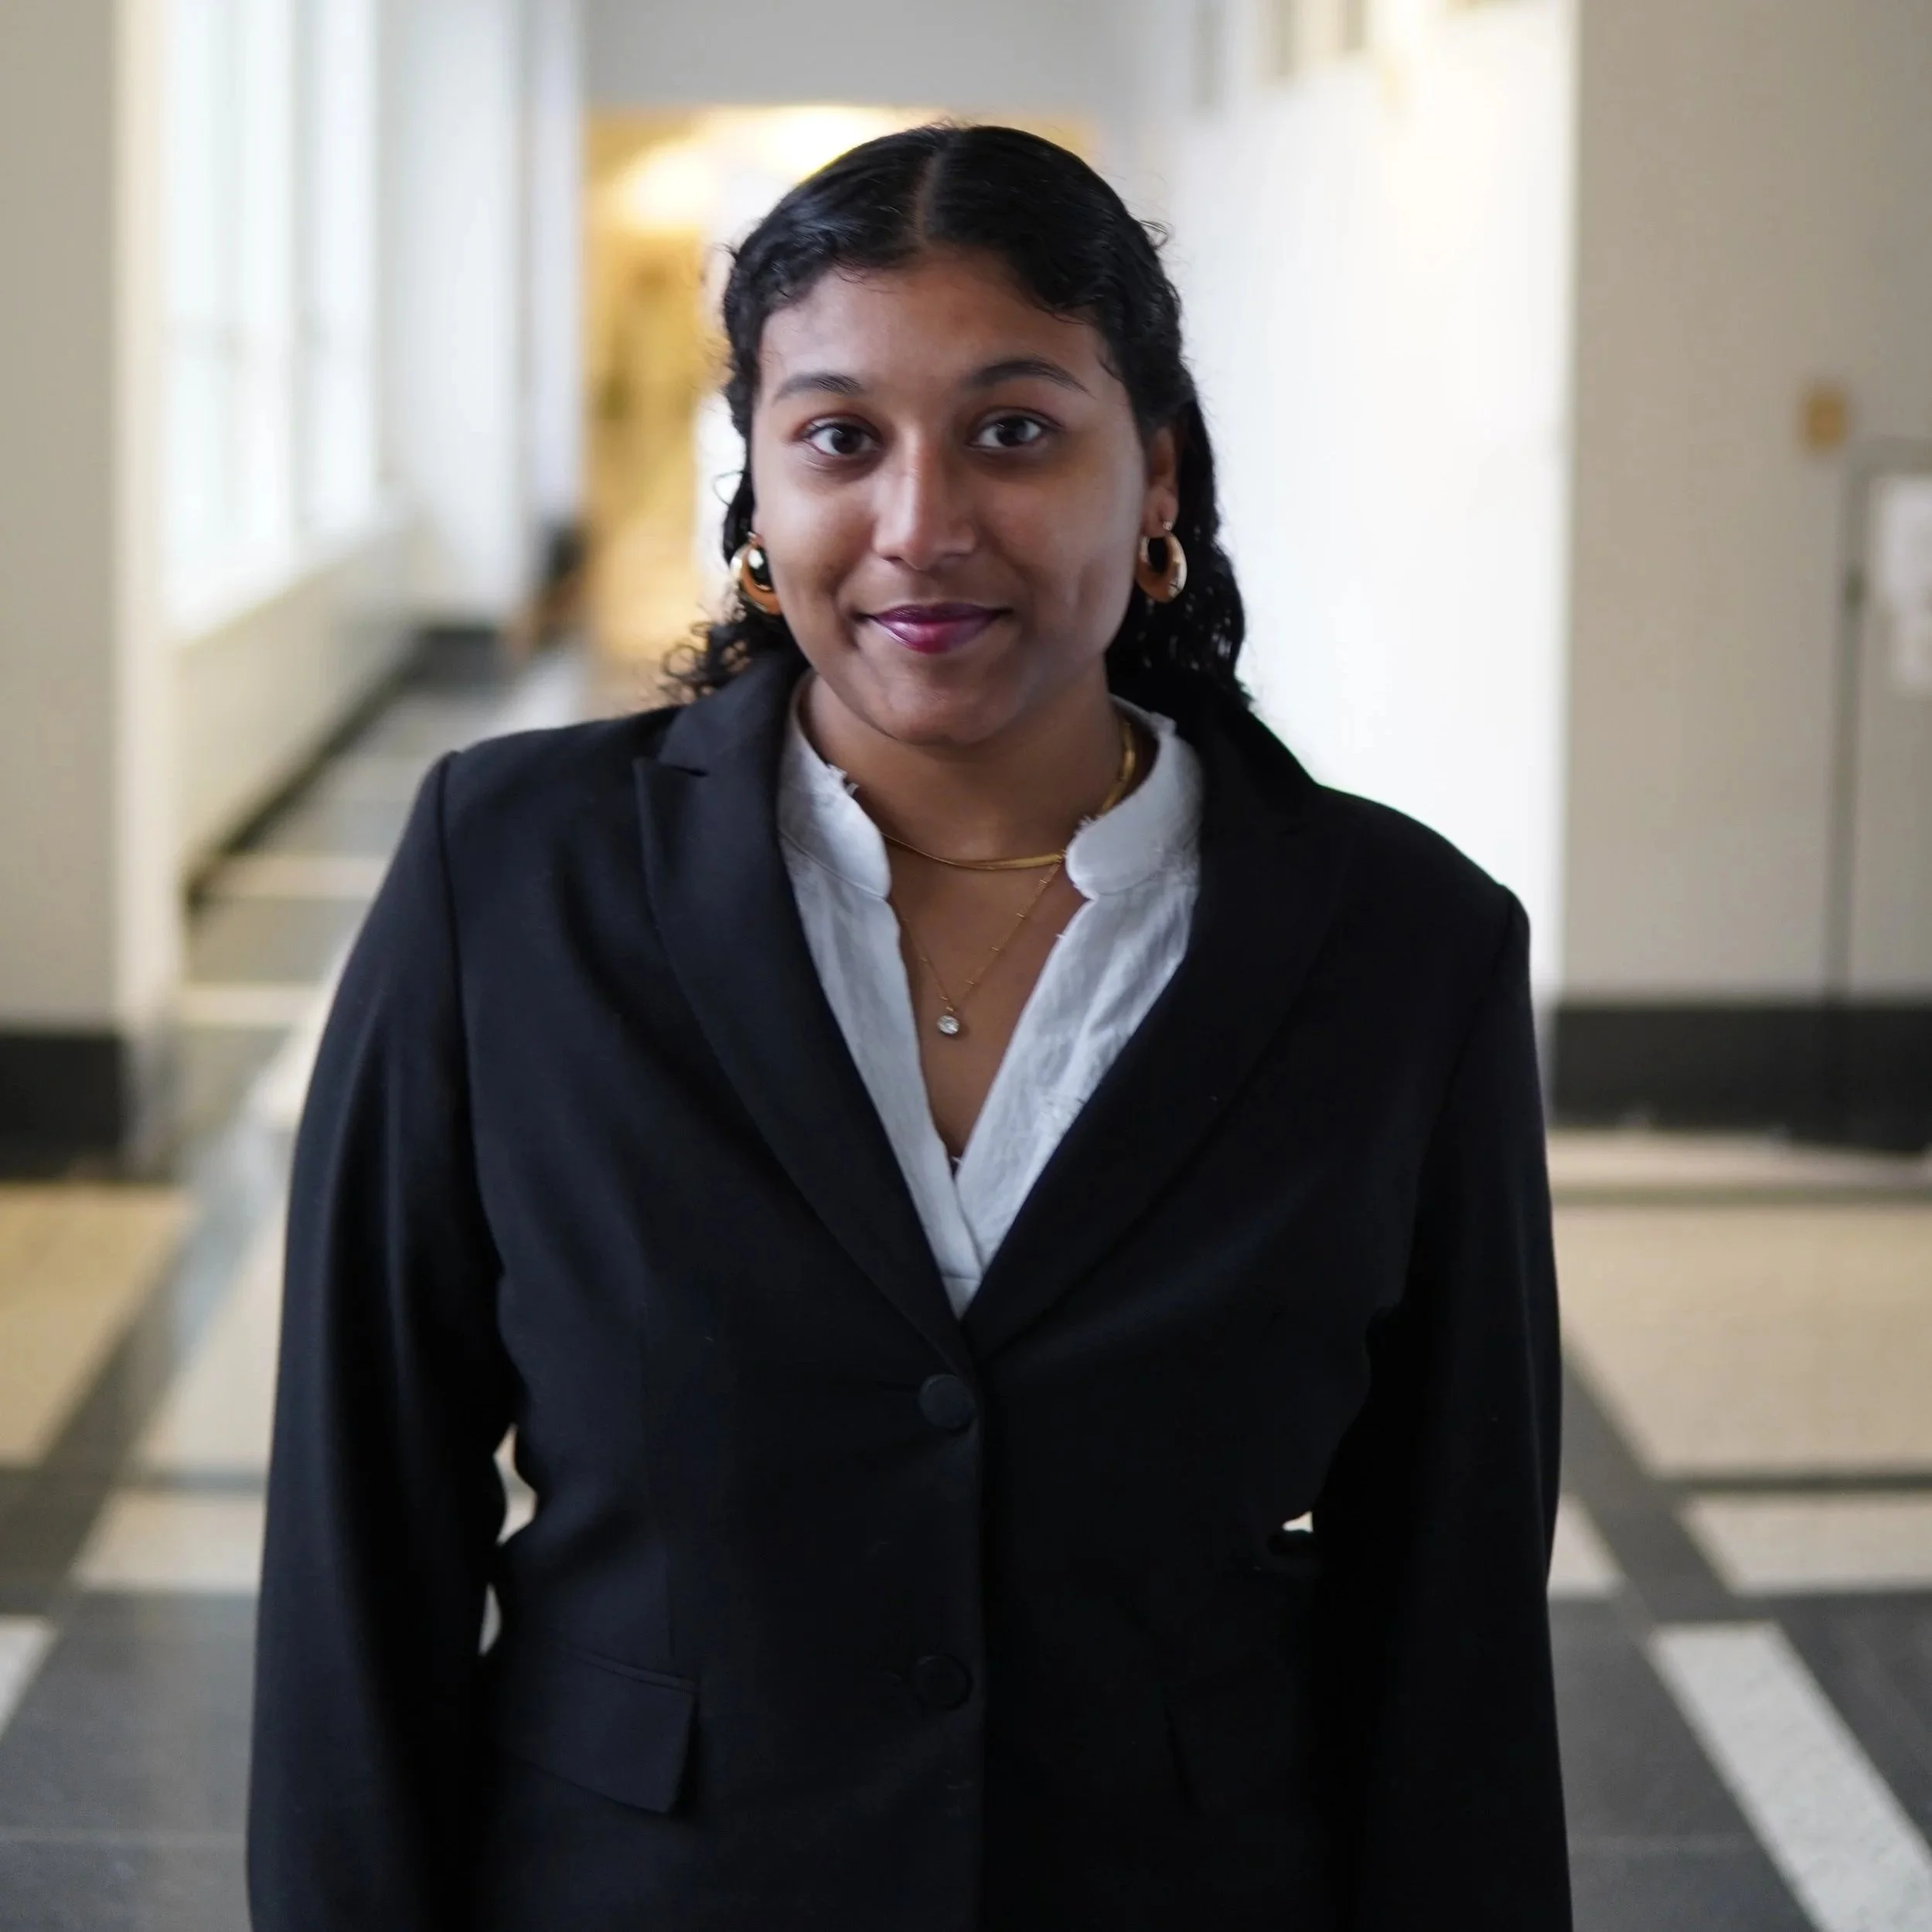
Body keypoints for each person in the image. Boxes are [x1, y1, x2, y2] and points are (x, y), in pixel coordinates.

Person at [248, 124, 1571, 1931]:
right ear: (757, 486)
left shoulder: (1403, 948)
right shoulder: (512, 876)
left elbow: (1454, 1624)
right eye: (840, 438)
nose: (921, 527)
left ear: (1155, 472)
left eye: (1014, 430)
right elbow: (361, 1536)